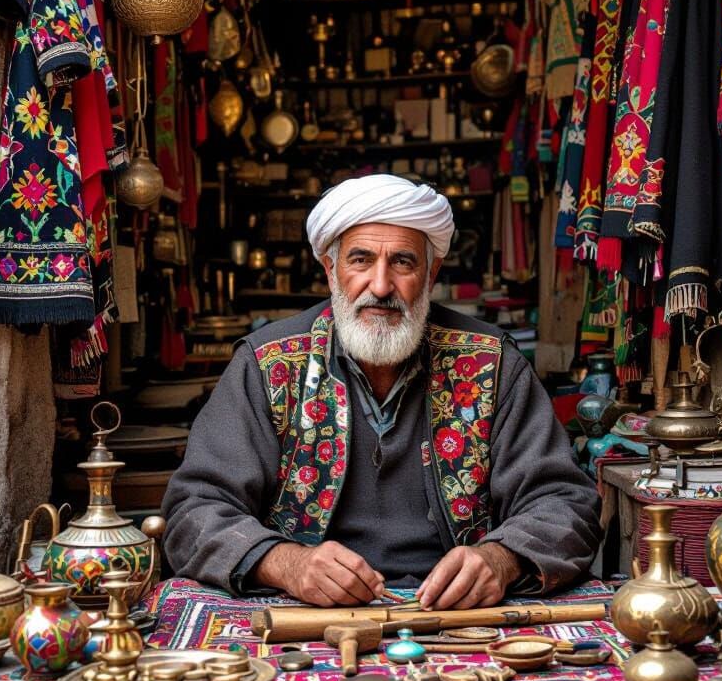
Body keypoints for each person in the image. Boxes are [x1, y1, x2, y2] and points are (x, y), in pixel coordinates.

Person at [163, 175, 601, 608]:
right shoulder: (267, 364)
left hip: (459, 614)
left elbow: (565, 503)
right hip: (302, 613)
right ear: (330, 270)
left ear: (431, 275)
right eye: (360, 260)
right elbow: (193, 511)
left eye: (403, 263)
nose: (380, 286)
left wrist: (501, 560)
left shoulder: (492, 363)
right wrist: (286, 564)